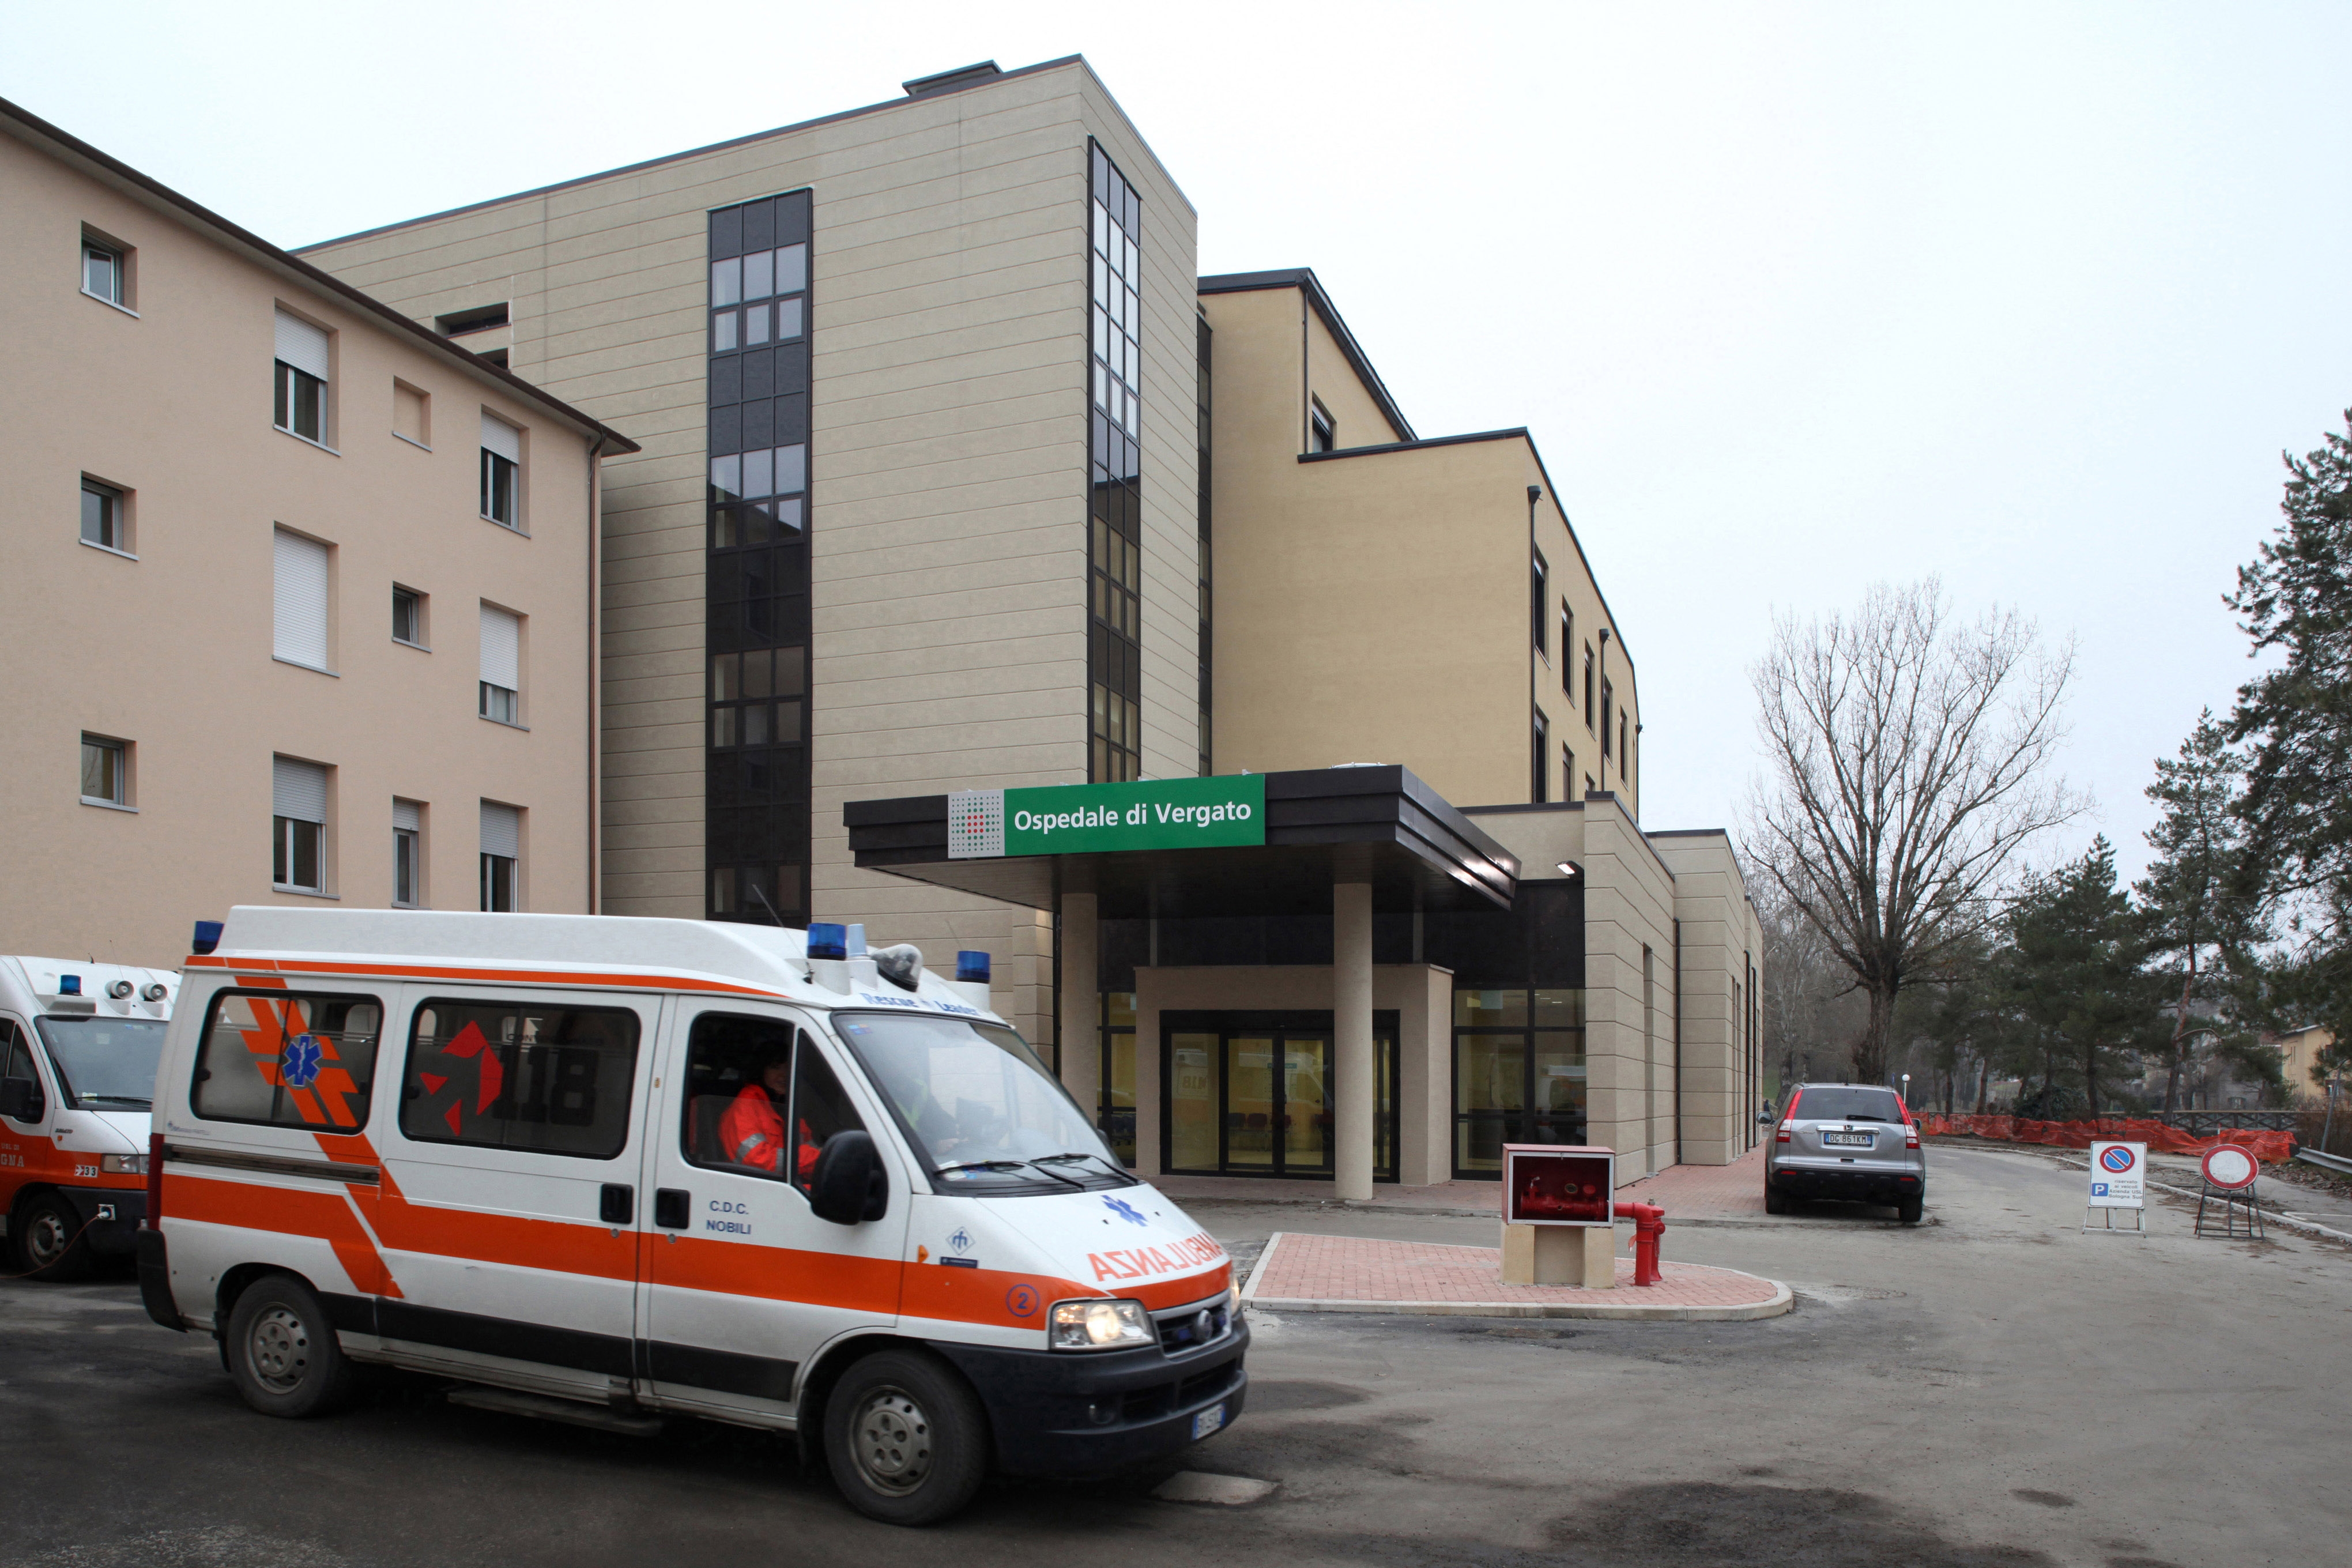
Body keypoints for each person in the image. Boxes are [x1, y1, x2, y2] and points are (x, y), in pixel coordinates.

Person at [719, 1048, 823, 1181]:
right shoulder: (746, 1105)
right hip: (752, 1185)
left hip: (788, 1183)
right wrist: (813, 1158)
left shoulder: (787, 1107)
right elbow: (755, 1159)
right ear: (761, 1070)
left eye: (788, 1068)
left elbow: (815, 1155)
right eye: (776, 1067)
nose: (784, 1075)